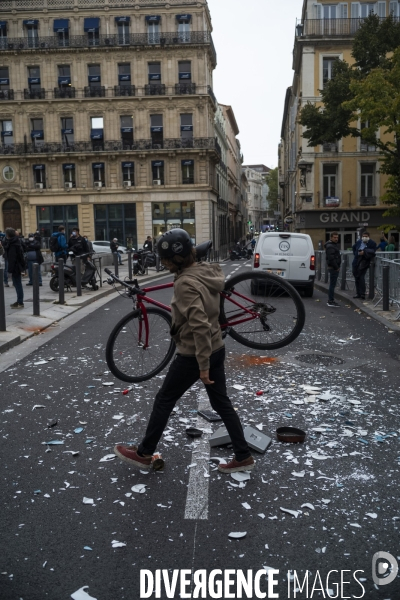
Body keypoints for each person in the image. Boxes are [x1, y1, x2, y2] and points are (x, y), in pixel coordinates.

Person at [114, 228, 254, 474]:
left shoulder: (186, 284)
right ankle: (243, 455)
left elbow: (198, 325)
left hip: (194, 353)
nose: (164, 264)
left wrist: (202, 366)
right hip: (217, 346)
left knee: (164, 400)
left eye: (165, 260)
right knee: (222, 404)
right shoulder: (205, 272)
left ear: (174, 260)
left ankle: (144, 453)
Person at [4, 227, 25, 308]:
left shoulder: (13, 244)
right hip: (17, 266)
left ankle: (20, 302)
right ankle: (19, 301)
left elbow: (13, 257)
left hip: (15, 267)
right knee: (17, 284)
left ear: (8, 235)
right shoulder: (14, 242)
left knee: (17, 284)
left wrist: (11, 270)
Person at [352, 232, 377, 300]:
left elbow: (373, 252)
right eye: (363, 236)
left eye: (366, 236)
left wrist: (364, 252)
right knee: (356, 276)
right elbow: (354, 247)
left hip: (364, 261)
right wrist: (356, 254)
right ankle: (358, 293)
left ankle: (362, 293)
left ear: (368, 236)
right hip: (356, 260)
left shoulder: (372, 243)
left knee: (361, 276)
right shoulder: (359, 242)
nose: (364, 237)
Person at [325, 232, 341, 308]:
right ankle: (330, 300)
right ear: (331, 238)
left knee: (332, 284)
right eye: (334, 237)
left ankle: (331, 300)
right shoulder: (330, 246)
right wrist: (336, 267)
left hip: (333, 267)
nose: (336, 239)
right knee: (332, 284)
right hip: (333, 267)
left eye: (337, 237)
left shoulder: (332, 245)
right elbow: (331, 258)